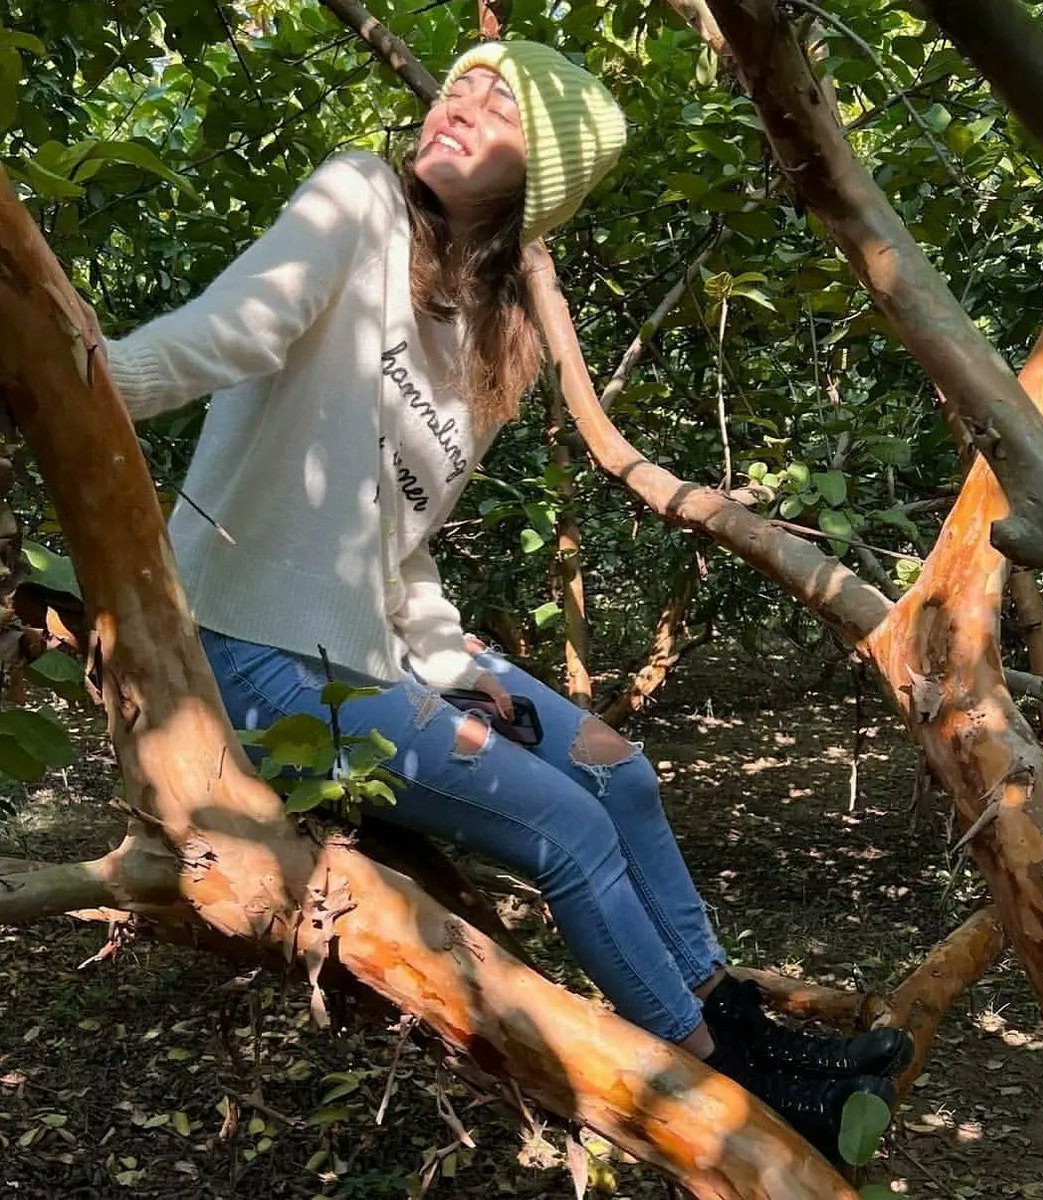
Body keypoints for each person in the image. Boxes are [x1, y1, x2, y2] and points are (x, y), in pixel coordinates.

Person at [96, 39, 911, 1160]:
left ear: (546, 176)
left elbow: (397, 545)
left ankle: (731, 1016)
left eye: (497, 101)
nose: (457, 104)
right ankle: (726, 1084)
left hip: (374, 647)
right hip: (257, 652)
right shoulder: (356, 198)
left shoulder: (493, 339)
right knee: (569, 831)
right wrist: (84, 374)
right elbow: (239, 324)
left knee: (616, 772)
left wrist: (460, 668)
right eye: (457, 85)